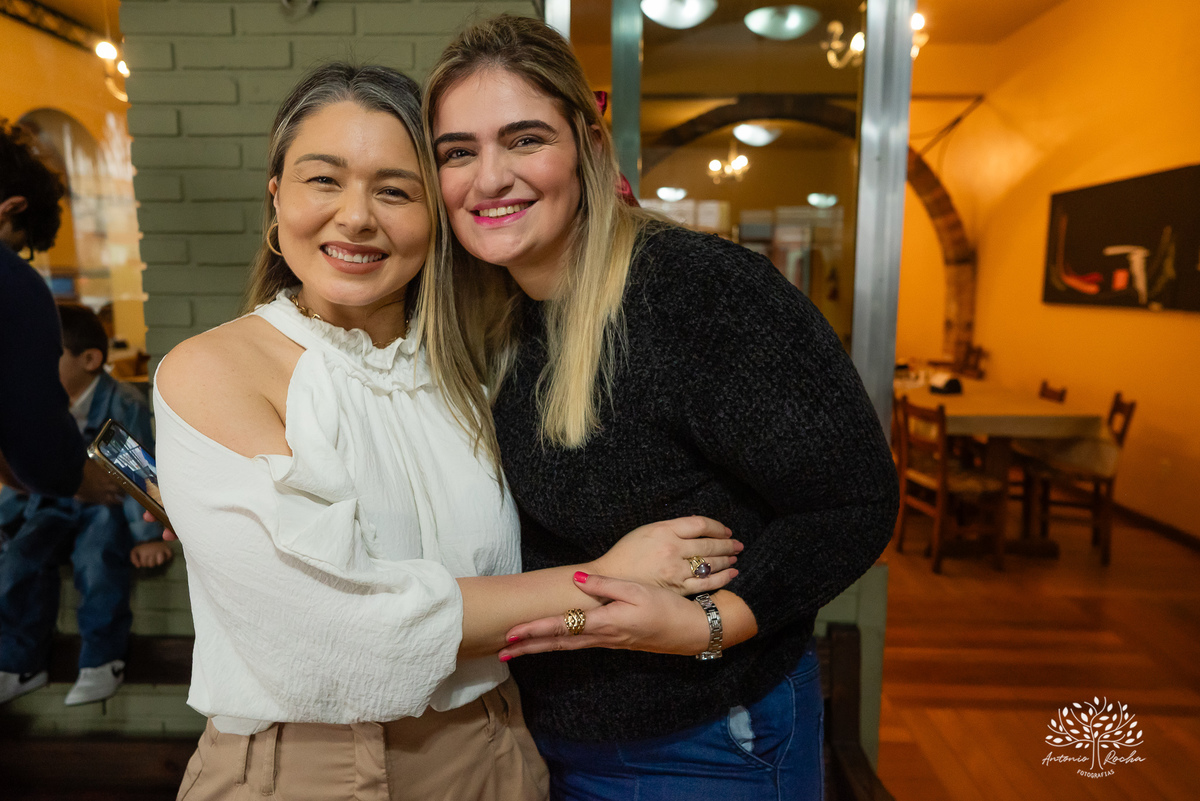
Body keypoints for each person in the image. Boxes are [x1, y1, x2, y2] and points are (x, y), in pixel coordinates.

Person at [153, 63, 741, 801]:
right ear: (276, 199)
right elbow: (340, 630)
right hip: (309, 767)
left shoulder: (474, 368)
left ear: (439, 216)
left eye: (395, 190)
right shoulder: (213, 369)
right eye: (323, 180)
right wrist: (605, 583)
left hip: (496, 744)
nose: (357, 217)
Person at [425, 16, 899, 799]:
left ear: (587, 144)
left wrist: (712, 623)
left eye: (525, 139)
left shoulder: (694, 293)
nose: (489, 179)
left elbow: (855, 500)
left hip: (704, 741)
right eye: (458, 152)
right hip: (546, 737)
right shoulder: (494, 312)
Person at [0, 303, 169, 707]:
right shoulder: (38, 405)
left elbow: (138, 469)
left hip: (103, 508)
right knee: (19, 560)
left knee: (97, 561)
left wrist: (147, 535)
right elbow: (22, 473)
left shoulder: (122, 400)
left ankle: (102, 660)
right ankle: (20, 663)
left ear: (89, 359)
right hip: (52, 507)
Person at [0, 119, 122, 506]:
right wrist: (73, 478)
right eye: (16, 247)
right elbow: (32, 421)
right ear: (10, 209)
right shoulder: (12, 284)